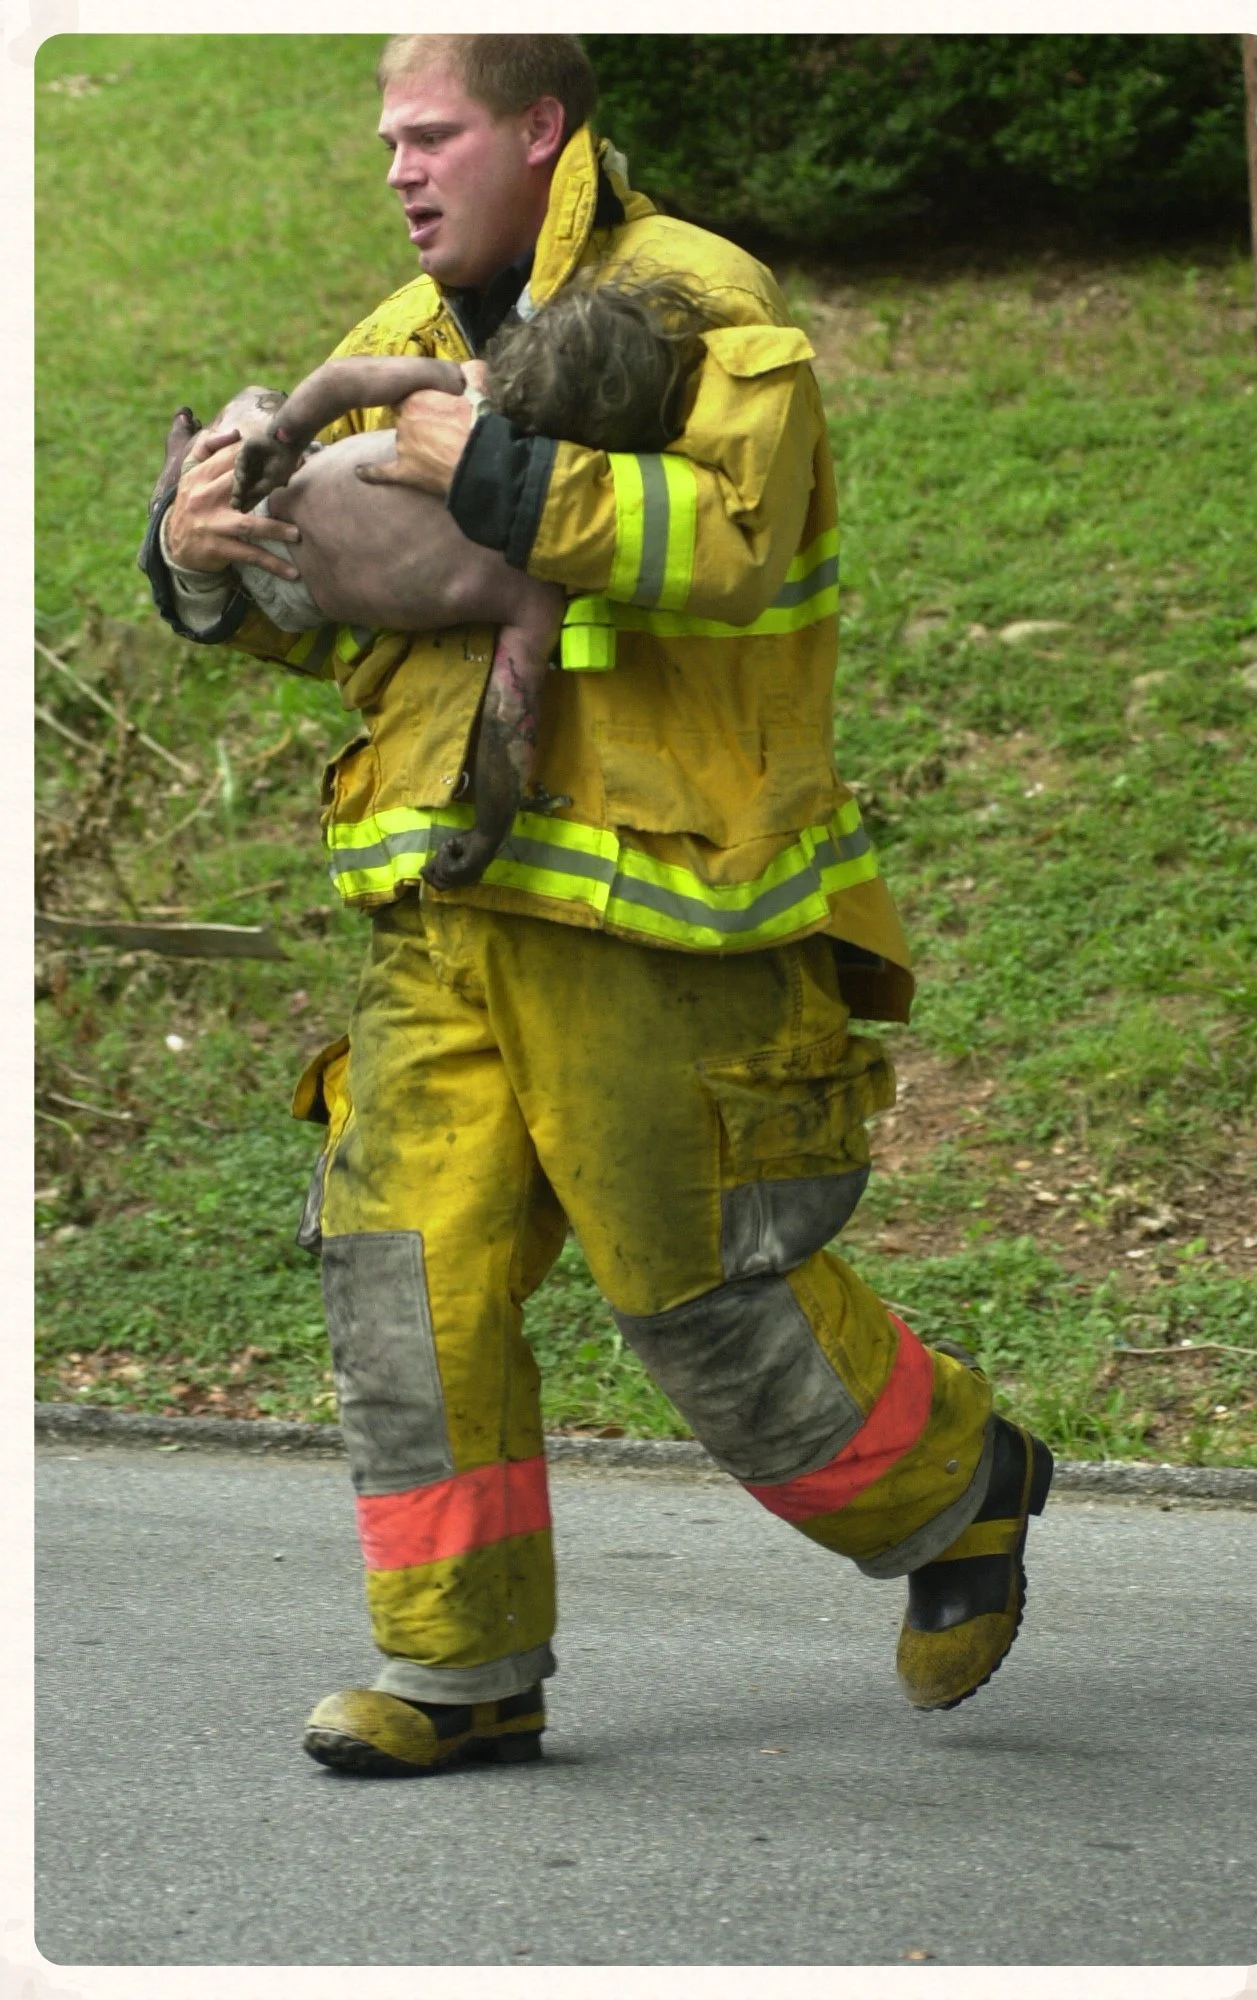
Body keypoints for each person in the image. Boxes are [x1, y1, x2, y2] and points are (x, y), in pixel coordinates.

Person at [139, 32, 1053, 1779]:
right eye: (386, 143)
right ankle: (463, 1668)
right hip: (440, 913)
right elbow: (342, 612)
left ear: (540, 127)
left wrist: (480, 472)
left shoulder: (702, 305)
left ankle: (963, 1487)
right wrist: (205, 566)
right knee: (406, 1279)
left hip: (661, 924)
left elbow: (728, 542)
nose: (400, 172)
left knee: (706, 1307)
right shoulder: (397, 344)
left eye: (433, 136)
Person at [145, 276, 718, 886]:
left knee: (252, 404)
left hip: (273, 495)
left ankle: (176, 484)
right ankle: (186, 487)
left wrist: (283, 441)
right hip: (298, 596)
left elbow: (341, 381)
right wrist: (488, 829)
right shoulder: (537, 580)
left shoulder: (460, 389)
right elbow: (509, 718)